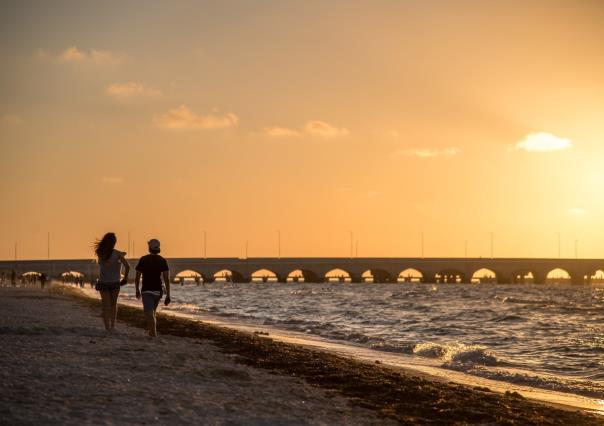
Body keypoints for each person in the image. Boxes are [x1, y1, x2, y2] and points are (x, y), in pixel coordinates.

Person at [94, 233, 129, 333]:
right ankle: (113, 326)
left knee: (105, 306)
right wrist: (125, 278)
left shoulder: (99, 252)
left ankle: (107, 328)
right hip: (115, 282)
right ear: (114, 242)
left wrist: (120, 254)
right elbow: (127, 266)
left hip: (103, 282)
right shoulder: (118, 254)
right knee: (113, 305)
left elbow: (106, 258)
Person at [135, 239, 171, 337]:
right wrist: (168, 295)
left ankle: (153, 334)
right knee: (152, 312)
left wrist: (137, 290)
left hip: (146, 290)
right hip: (158, 291)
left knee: (149, 314)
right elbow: (166, 279)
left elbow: (137, 277)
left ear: (149, 248)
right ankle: (151, 332)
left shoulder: (143, 259)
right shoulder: (163, 260)